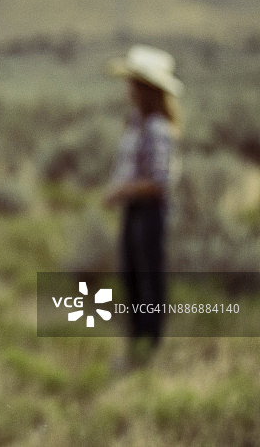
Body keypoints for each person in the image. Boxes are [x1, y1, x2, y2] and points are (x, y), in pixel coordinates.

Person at [104, 44, 183, 364]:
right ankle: (138, 345)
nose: (127, 88)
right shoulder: (138, 122)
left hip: (149, 212)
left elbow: (160, 181)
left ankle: (147, 348)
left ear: (144, 88)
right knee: (133, 278)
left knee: (148, 279)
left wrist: (122, 190)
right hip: (135, 210)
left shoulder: (157, 128)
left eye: (132, 82)